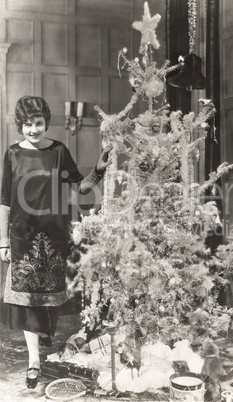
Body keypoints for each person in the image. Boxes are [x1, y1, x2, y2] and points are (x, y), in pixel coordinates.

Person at [0, 95, 113, 389]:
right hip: (22, 238)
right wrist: (2, 240)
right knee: (26, 303)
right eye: (27, 124)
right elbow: (3, 202)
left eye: (38, 123)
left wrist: (99, 169)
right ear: (20, 125)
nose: (34, 129)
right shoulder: (12, 154)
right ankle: (34, 361)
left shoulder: (59, 151)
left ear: (46, 122)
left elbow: (80, 186)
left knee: (49, 302)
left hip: (53, 237)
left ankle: (44, 348)